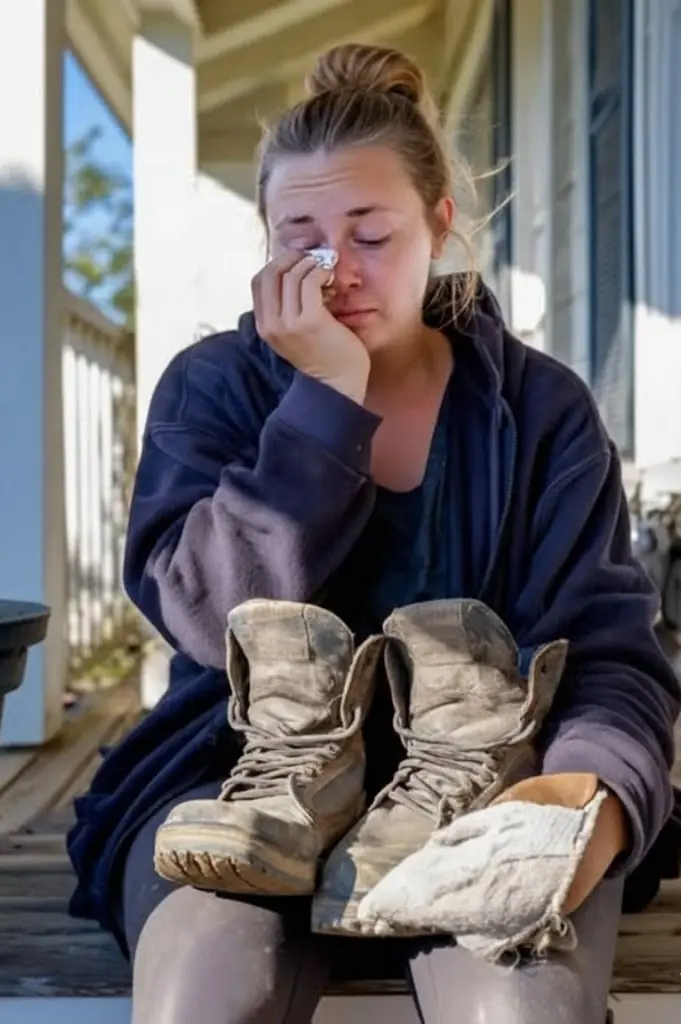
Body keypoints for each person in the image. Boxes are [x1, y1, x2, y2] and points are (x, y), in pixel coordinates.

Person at [66, 42, 681, 1024]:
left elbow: (612, 652)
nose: (334, 269)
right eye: (299, 234)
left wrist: (585, 801)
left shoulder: (540, 409)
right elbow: (199, 612)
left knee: (517, 1011)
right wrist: (324, 399)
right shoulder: (216, 386)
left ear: (439, 225)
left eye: (370, 233)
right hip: (240, 788)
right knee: (205, 995)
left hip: (491, 787)